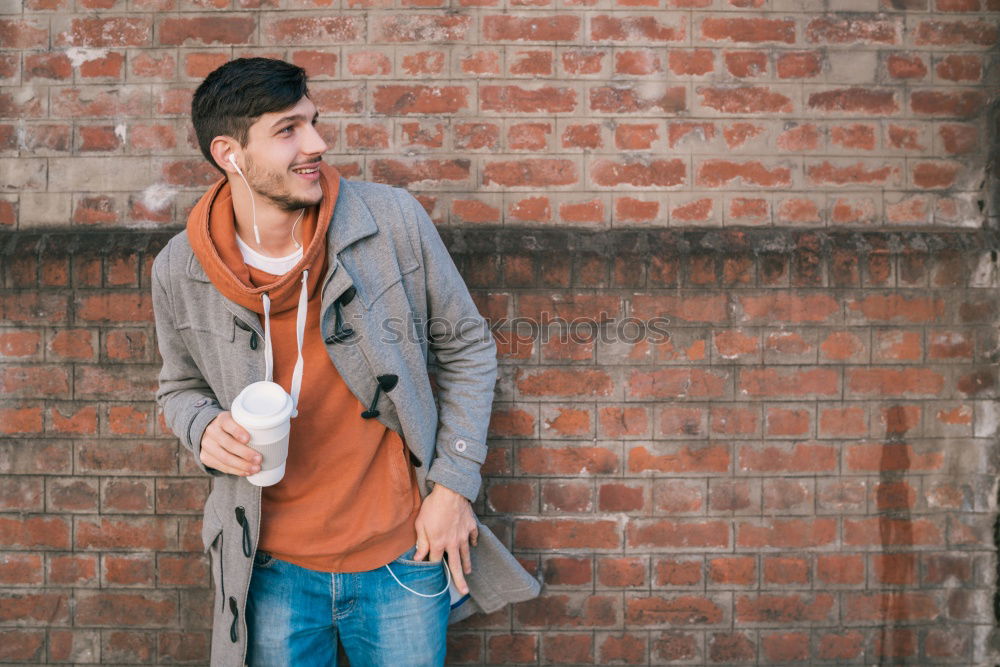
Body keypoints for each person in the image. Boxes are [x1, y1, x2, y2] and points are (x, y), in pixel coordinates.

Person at [151, 57, 539, 666]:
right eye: (288, 130)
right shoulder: (180, 268)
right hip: (270, 570)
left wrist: (454, 488)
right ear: (230, 153)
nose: (317, 144)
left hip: (403, 556)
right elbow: (178, 388)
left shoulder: (391, 222)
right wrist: (202, 428)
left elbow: (467, 346)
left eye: (313, 122)